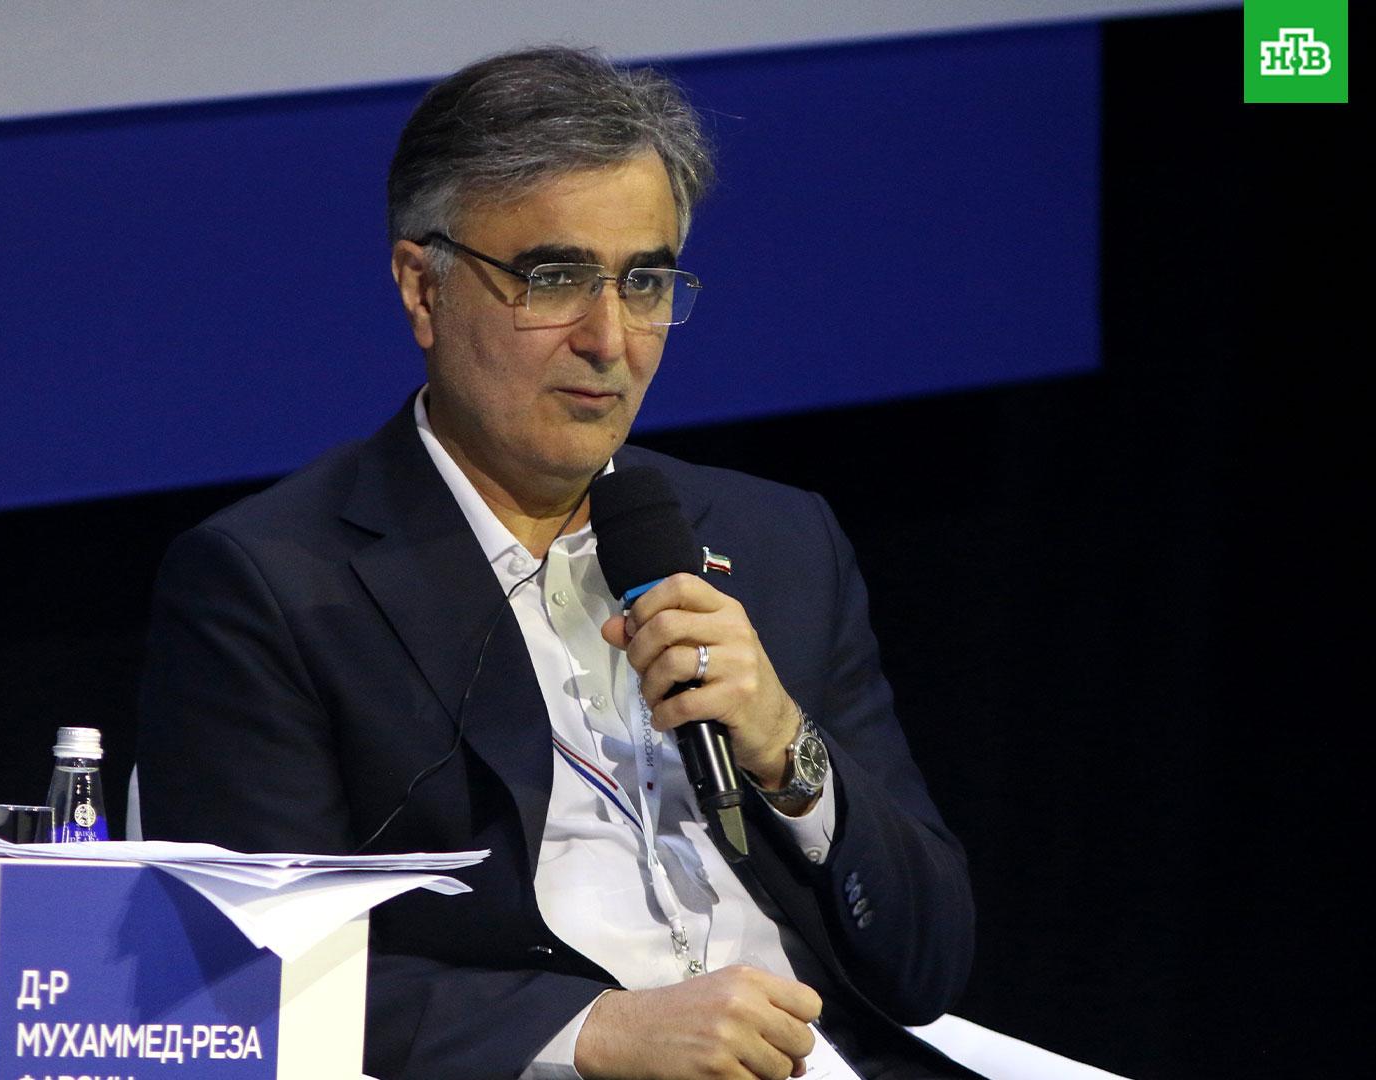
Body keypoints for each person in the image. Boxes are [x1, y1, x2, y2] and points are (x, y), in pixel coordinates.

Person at [138, 47, 977, 1080]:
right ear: (423, 288)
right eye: (556, 279)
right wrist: (596, 1032)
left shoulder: (777, 540)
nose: (609, 339)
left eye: (645, 281)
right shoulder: (273, 583)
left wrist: (787, 753)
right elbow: (244, 975)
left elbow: (929, 962)